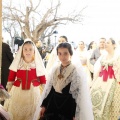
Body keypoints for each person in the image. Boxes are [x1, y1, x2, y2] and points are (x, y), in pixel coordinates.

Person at [40, 43, 94, 120]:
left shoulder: (75, 71)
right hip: (53, 103)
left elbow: (77, 95)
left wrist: (74, 113)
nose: (62, 56)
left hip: (67, 105)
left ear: (71, 54)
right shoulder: (55, 69)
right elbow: (51, 89)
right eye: (60, 54)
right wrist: (44, 106)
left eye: (65, 53)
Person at [4, 38, 46, 120]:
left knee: (32, 112)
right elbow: (11, 77)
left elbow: (43, 79)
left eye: (30, 49)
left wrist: (45, 93)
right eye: (25, 49)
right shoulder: (18, 63)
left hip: (33, 92)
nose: (28, 51)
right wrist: (9, 89)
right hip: (18, 91)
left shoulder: (37, 64)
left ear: (34, 51)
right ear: (22, 51)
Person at [90, 38, 120, 120]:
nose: (105, 44)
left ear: (114, 45)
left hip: (113, 82)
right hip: (101, 81)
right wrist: (94, 82)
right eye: (105, 43)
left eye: (108, 43)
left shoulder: (118, 57)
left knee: (110, 103)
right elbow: (97, 69)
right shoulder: (103, 56)